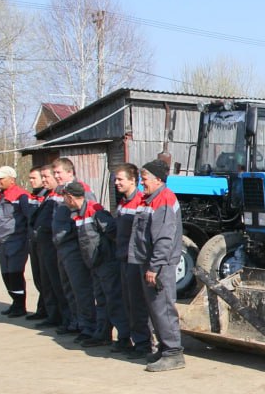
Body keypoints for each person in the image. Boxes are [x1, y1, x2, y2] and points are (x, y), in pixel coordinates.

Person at [130, 159, 185, 371]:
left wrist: (155, 267)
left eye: (144, 179)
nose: (142, 183)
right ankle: (164, 349)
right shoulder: (151, 198)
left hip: (160, 266)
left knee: (163, 308)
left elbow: (163, 238)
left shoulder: (163, 199)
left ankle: (173, 353)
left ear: (158, 180)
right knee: (155, 308)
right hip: (150, 262)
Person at [63, 180, 128, 350]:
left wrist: (107, 255)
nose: (64, 202)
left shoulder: (95, 211)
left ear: (70, 197)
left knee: (114, 301)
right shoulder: (79, 214)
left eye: (65, 199)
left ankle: (124, 338)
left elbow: (113, 233)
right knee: (101, 301)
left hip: (107, 264)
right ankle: (102, 334)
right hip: (95, 266)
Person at [51, 158, 98, 342]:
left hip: (75, 248)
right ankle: (76, 322)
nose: (56, 176)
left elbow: (89, 218)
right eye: (55, 173)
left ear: (70, 172)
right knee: (68, 288)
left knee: (82, 290)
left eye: (59, 173)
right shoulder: (60, 191)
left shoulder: (83, 190)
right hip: (62, 247)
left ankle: (89, 327)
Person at [111, 163, 153, 355]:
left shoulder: (140, 202)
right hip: (122, 258)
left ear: (132, 181)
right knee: (126, 301)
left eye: (120, 179)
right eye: (116, 179)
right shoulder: (123, 202)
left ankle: (143, 344)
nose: (116, 182)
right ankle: (128, 338)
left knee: (137, 303)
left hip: (135, 261)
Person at [0, 165, 33, 317]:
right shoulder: (0, 195)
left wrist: (27, 239)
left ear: (11, 179)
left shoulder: (21, 196)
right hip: (2, 243)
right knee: (6, 274)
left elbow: (29, 218)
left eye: (1, 178)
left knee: (15, 274)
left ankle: (20, 305)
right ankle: (15, 302)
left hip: (16, 242)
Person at [30, 164, 68, 329]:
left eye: (47, 177)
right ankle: (52, 314)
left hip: (53, 245)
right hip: (42, 244)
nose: (44, 180)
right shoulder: (48, 195)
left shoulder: (59, 195)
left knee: (56, 283)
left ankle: (63, 317)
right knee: (45, 281)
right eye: (43, 177)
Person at [24, 168, 50, 322]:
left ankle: (49, 311)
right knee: (38, 278)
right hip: (33, 241)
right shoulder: (34, 196)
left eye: (34, 178)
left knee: (46, 279)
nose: (31, 181)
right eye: (30, 178)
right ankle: (43, 308)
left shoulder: (47, 197)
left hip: (44, 242)